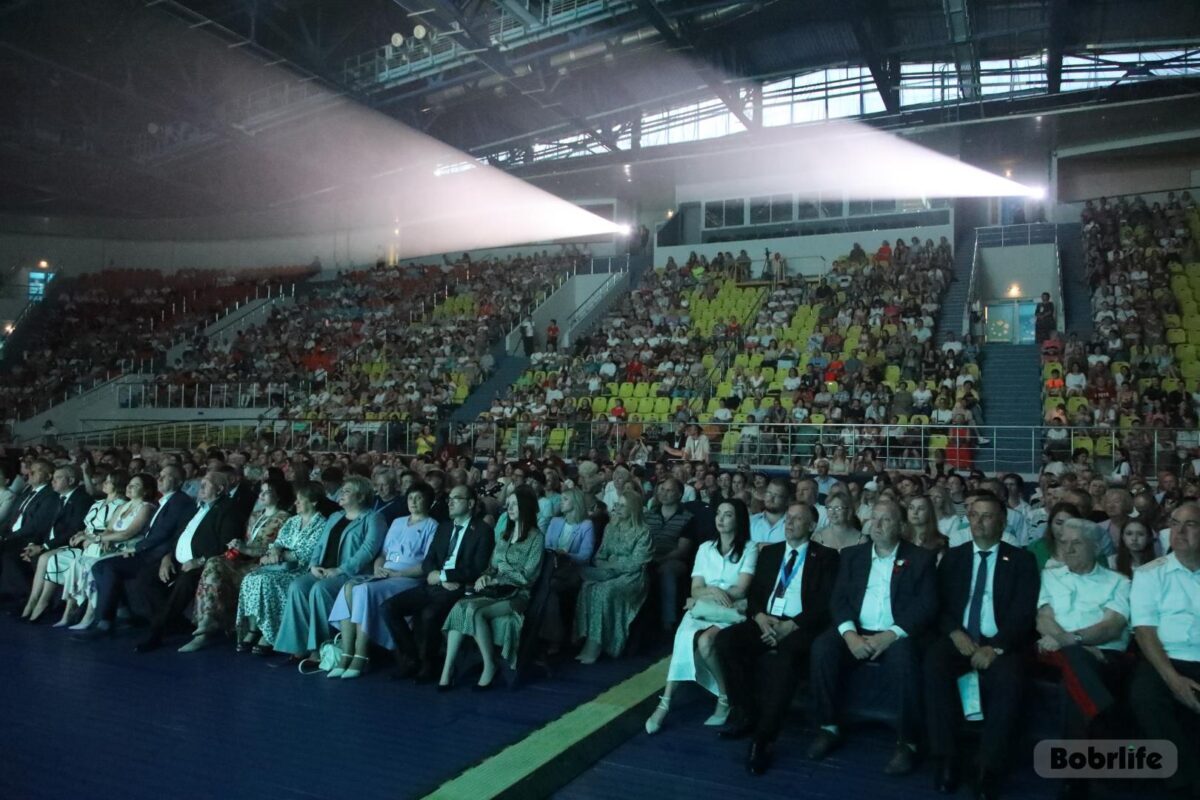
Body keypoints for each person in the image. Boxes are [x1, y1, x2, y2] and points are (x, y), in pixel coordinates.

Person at [807, 499, 937, 775]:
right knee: (822, 647)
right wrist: (850, 635)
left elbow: (926, 604)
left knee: (905, 658)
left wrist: (891, 635)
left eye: (885, 519)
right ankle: (828, 726)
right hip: (857, 629)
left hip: (896, 633)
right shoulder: (854, 555)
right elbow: (838, 599)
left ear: (902, 526)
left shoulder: (920, 558)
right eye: (873, 519)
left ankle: (908, 741)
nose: (876, 525)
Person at [922, 493, 1040, 798]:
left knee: (1010, 680)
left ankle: (989, 767)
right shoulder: (954, 556)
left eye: (987, 516)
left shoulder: (1022, 561)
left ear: (1002, 522)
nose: (978, 522)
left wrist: (996, 647)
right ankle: (946, 757)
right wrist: (954, 633)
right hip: (959, 637)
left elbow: (1023, 612)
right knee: (934, 664)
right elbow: (940, 604)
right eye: (973, 515)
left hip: (1000, 643)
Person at [715, 501, 839, 776]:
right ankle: (746, 712)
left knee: (787, 659)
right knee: (725, 641)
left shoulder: (827, 557)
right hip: (766, 620)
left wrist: (791, 626)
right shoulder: (770, 553)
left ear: (811, 526)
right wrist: (759, 617)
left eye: (797, 519)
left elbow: (825, 603)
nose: (790, 523)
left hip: (800, 627)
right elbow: (757, 594)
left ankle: (764, 737)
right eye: (788, 518)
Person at [1035, 517, 1131, 800]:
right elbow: (1043, 618)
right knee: (1075, 659)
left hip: (1103, 655)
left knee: (1073, 676)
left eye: (1076, 543)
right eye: (1063, 543)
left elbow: (1111, 626)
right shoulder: (1050, 575)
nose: (1068, 549)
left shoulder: (1119, 581)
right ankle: (1105, 721)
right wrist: (1076, 645)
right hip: (1059, 652)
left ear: (1095, 546)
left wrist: (1073, 642)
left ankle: (1074, 776)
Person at [645, 499, 758, 734]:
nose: (720, 518)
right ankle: (664, 702)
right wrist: (712, 592)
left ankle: (724, 697)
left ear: (738, 519)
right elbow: (695, 588)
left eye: (727, 515)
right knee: (683, 639)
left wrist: (712, 593)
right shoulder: (705, 548)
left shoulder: (749, 548)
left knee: (706, 642)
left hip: (730, 610)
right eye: (718, 513)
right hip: (704, 605)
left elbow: (741, 589)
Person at [382, 484, 494, 682]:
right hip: (434, 584)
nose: (449, 502)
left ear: (470, 503)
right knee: (389, 607)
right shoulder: (444, 527)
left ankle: (429, 664)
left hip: (459, 588)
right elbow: (428, 560)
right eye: (449, 498)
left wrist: (443, 576)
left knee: (429, 614)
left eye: (456, 498)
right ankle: (411, 658)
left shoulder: (482, 531)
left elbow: (477, 568)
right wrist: (434, 573)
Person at [326, 483, 439, 677]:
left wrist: (397, 574)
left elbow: (425, 565)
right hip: (385, 573)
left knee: (363, 590)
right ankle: (346, 653)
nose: (413, 502)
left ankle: (360, 656)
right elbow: (383, 553)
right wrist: (379, 568)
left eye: (419, 498)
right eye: (411, 498)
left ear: (428, 501)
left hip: (407, 578)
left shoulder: (432, 525)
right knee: (349, 587)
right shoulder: (398, 522)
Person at [439, 487, 545, 690]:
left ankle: (489, 665)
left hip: (517, 593)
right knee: (460, 607)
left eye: (515, 504)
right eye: (509, 504)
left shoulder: (536, 537)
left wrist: (500, 575)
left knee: (475, 612)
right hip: (495, 590)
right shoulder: (505, 535)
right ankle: (447, 669)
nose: (510, 508)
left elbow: (528, 577)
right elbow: (491, 567)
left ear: (526, 507)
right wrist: (486, 576)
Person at [74, 466, 195, 641]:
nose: (159, 479)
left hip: (153, 555)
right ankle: (119, 613)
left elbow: (165, 534)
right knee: (100, 566)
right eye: (159, 475)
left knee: (107, 567)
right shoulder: (166, 501)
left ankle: (105, 621)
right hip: (147, 551)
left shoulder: (180, 502)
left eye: (166, 476)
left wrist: (135, 548)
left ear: (179, 482)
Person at [1129, 501, 1200, 797]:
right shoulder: (1149, 574)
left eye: (1190, 524)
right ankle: (1185, 784)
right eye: (1174, 522)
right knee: (1144, 696)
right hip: (1166, 657)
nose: (1179, 531)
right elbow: (1145, 633)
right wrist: (1175, 682)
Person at [273, 476, 386, 660]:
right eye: (342, 489)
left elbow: (368, 550)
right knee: (297, 586)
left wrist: (340, 570)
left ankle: (320, 648)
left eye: (347, 490)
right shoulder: (335, 516)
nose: (341, 493)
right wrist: (313, 566)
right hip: (324, 570)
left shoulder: (374, 518)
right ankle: (299, 645)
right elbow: (320, 544)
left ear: (361, 496)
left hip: (352, 574)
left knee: (320, 590)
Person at [177, 477, 293, 652]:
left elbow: (274, 549)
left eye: (267, 492)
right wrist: (237, 545)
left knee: (218, 568)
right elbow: (247, 541)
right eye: (260, 491)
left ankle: (209, 626)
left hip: (262, 564)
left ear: (278, 496)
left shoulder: (284, 518)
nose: (261, 495)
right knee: (214, 562)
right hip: (243, 560)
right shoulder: (255, 515)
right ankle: (206, 620)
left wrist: (245, 548)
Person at [134, 471, 243, 653]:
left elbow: (227, 544)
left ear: (220, 489)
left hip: (204, 564)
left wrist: (198, 561)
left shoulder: (228, 509)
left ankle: (157, 631)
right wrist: (167, 556)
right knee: (144, 579)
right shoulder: (196, 507)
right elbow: (179, 535)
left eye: (206, 484)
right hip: (177, 560)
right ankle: (176, 623)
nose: (200, 487)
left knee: (184, 582)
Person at [235, 482, 328, 653]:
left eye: (300, 501)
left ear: (313, 502)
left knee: (266, 581)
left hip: (301, 569)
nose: (296, 504)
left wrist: (278, 556)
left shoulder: (322, 524)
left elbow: (306, 554)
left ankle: (269, 633)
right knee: (250, 578)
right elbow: (278, 541)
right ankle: (254, 628)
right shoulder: (293, 521)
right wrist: (276, 550)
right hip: (282, 565)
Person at [56, 471, 149, 628]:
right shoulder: (125, 506)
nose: (130, 487)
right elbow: (110, 529)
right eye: (129, 484)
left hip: (128, 549)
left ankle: (90, 615)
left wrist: (97, 539)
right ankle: (70, 612)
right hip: (112, 546)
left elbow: (128, 533)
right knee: (78, 562)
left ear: (146, 491)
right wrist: (101, 538)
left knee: (92, 565)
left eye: (135, 485)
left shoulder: (146, 507)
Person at [573, 486, 652, 664]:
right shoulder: (610, 527)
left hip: (632, 577)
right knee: (587, 587)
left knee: (604, 592)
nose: (618, 508)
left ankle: (598, 644)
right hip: (608, 571)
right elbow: (600, 555)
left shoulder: (643, 531)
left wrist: (614, 564)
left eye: (623, 506)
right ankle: (586, 638)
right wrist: (609, 564)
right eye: (618, 505)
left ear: (633, 508)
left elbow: (637, 563)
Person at [646, 478, 697, 633]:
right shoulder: (650, 515)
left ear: (679, 494)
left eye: (669, 490)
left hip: (674, 560)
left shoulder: (688, 517)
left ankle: (668, 622)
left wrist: (660, 560)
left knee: (666, 571)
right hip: (649, 556)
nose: (663, 493)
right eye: (661, 489)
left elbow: (682, 550)